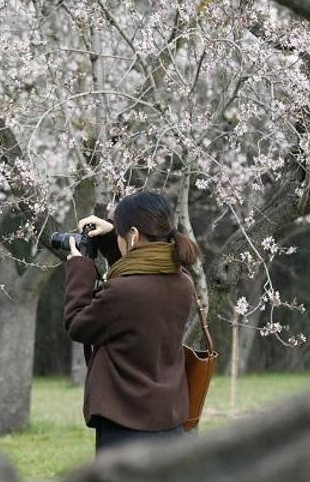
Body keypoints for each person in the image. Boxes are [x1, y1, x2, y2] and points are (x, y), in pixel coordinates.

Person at [63, 190, 202, 453]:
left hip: (125, 419)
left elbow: (77, 323)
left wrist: (79, 268)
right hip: (168, 417)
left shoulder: (122, 292)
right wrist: (111, 236)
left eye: (120, 234)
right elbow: (138, 276)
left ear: (134, 235)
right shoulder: (183, 281)